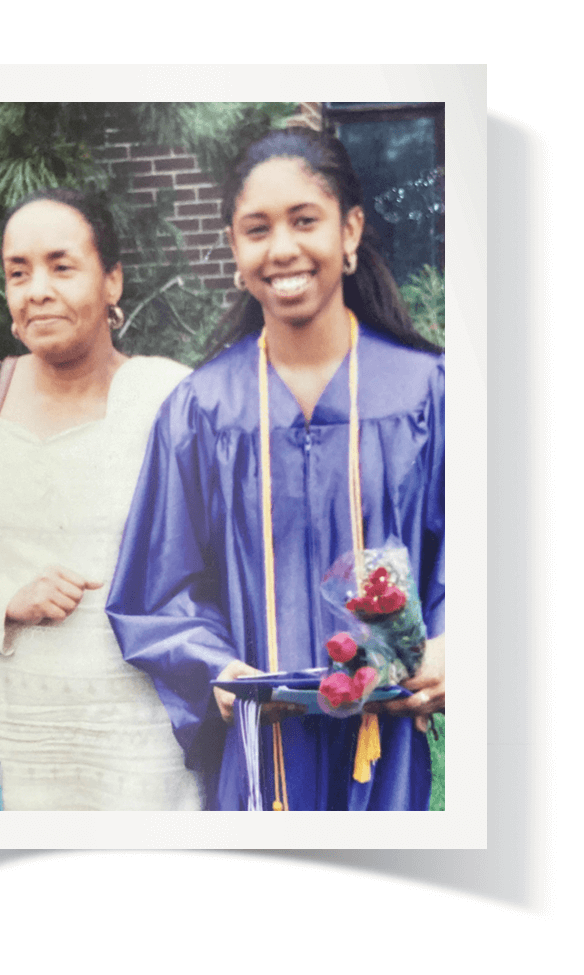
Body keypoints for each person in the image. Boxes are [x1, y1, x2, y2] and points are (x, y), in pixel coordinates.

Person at [107, 129, 445, 811]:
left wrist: (452, 643)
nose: (283, 248)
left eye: (305, 220)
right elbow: (156, 588)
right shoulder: (201, 412)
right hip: (262, 756)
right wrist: (215, 669)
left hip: (385, 746)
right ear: (234, 250)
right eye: (257, 228)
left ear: (350, 231)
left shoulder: (427, 393)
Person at [0, 187, 201, 810]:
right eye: (17, 273)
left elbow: (211, 558)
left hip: (146, 740)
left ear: (112, 282)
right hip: (13, 742)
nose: (36, 289)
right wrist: (6, 597)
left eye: (61, 266)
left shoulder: (168, 396)